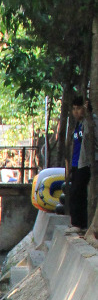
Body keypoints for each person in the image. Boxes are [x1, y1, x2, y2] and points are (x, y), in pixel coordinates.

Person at [67, 96, 94, 230]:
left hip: (85, 163)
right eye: (74, 109)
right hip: (76, 163)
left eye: (78, 109)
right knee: (74, 192)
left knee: (79, 192)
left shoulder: (90, 122)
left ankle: (80, 224)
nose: (76, 112)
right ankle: (76, 222)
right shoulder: (77, 125)